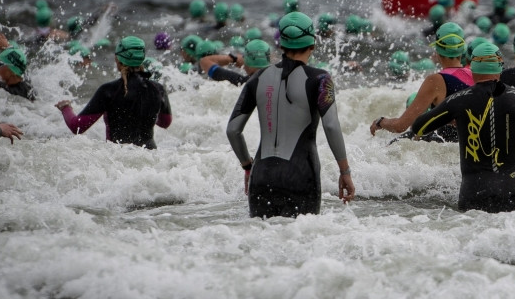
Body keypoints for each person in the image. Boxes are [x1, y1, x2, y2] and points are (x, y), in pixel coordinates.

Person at [227, 12, 354, 218]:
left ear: (281, 45)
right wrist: (345, 172)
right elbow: (331, 126)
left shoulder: (257, 78)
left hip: (261, 177)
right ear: (312, 44)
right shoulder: (321, 79)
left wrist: (248, 167)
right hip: (301, 175)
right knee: (301, 242)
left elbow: (233, 130)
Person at [411, 42, 515, 212]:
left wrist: (450, 118)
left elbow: (419, 128)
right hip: (511, 193)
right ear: (500, 67)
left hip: (474, 193)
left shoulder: (458, 100)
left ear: (472, 67)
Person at [56, 37, 173, 148]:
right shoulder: (158, 89)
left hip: (117, 161)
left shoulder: (108, 91)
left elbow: (77, 126)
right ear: (142, 59)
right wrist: (147, 114)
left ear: (118, 59)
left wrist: (66, 108)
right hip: (150, 159)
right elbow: (165, 123)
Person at [370, 22, 473, 138]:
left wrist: (381, 122)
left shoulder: (435, 81)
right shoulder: (477, 75)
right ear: (463, 49)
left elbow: (400, 126)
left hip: (443, 149)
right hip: (472, 148)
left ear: (437, 50)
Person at [200, 39, 272, 86]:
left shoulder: (241, 82)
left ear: (246, 61)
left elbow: (204, 61)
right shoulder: (278, 77)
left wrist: (233, 59)